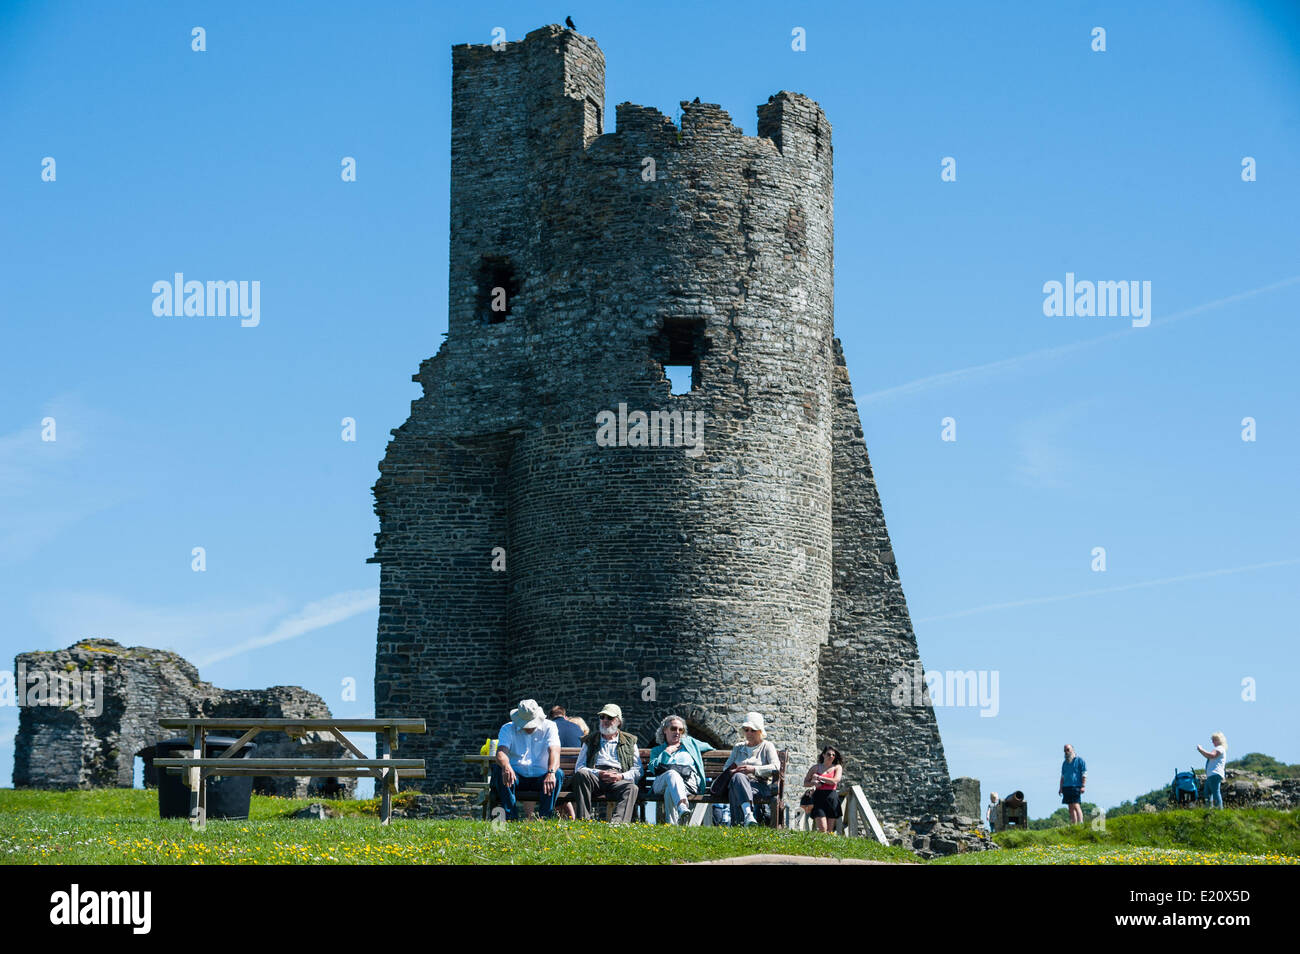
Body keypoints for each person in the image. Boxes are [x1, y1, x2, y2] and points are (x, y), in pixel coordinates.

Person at [492, 699, 562, 820]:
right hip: (516, 776)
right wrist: (506, 766)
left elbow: (554, 751)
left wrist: (551, 772)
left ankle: (545, 818)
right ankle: (510, 818)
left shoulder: (550, 726)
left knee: (558, 774)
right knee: (500, 771)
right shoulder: (507, 728)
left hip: (542, 777)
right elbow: (501, 753)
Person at [572, 704, 641, 824]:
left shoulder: (630, 741)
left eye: (609, 718)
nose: (605, 720)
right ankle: (584, 821)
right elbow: (579, 767)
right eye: (602, 717)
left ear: (618, 721)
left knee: (632, 788)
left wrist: (621, 776)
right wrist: (599, 773)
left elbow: (638, 770)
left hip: (618, 778)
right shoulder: (589, 740)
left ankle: (617, 824)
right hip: (595, 778)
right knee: (581, 774)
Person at [647, 714, 712, 825]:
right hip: (661, 783)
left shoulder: (689, 744)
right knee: (672, 774)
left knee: (670, 791)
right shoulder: (657, 750)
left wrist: (690, 742)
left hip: (688, 783)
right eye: (673, 728)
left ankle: (672, 826)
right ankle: (682, 805)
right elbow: (653, 768)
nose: (677, 732)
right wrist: (666, 752)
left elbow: (709, 746)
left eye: (680, 730)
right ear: (665, 730)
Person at [722, 712, 781, 827]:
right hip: (738, 783)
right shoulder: (738, 747)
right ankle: (748, 815)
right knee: (738, 778)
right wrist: (735, 771)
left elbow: (776, 767)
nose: (748, 733)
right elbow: (726, 768)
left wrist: (753, 769)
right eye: (746, 729)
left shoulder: (767, 746)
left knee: (736, 787)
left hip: (759, 785)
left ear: (760, 731)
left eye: (752, 730)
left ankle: (738, 824)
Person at [802, 745, 842, 833]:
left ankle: (829, 846)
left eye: (833, 755)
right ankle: (820, 845)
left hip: (832, 797)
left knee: (830, 830)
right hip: (819, 797)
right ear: (823, 755)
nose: (831, 756)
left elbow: (835, 781)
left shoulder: (837, 767)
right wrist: (814, 783)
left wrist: (819, 777)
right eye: (828, 754)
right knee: (822, 828)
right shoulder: (815, 768)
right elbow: (805, 783)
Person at [1196, 732, 1227, 809]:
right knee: (1207, 793)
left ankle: (1219, 809)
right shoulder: (1220, 748)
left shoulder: (1219, 748)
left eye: (1214, 740)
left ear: (1219, 740)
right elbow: (1210, 755)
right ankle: (1210, 809)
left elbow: (1211, 755)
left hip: (1215, 774)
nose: (1213, 742)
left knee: (1215, 792)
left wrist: (1201, 750)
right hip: (1212, 774)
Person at [1059, 743, 1087, 824]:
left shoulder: (1079, 761)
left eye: (1068, 750)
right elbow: (1062, 777)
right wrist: (1060, 788)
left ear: (1072, 750)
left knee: (1076, 805)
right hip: (1066, 787)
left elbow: (1084, 774)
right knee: (1070, 807)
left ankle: (1081, 823)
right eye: (1065, 751)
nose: (1066, 752)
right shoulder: (1064, 763)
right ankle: (1074, 825)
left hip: (1076, 786)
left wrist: (1083, 786)